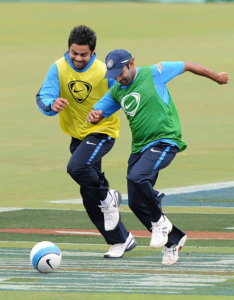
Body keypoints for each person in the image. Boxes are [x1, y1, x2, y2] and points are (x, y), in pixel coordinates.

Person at [86, 49, 229, 265]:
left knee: (137, 178)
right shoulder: (117, 90)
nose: (118, 77)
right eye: (113, 74)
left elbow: (187, 64)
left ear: (131, 64)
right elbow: (99, 112)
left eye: (120, 72)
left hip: (165, 140)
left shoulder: (154, 72)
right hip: (139, 148)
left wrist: (216, 77)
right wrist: (95, 116)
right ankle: (174, 241)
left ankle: (160, 221)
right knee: (135, 202)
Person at [36, 27, 137, 258]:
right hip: (78, 136)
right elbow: (43, 96)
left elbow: (124, 95)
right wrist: (52, 105)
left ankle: (109, 196)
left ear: (93, 52)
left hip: (103, 132)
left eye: (84, 54)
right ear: (69, 49)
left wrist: (102, 112)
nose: (78, 58)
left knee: (76, 167)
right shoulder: (58, 67)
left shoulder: (104, 71)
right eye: (74, 53)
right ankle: (121, 239)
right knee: (88, 195)